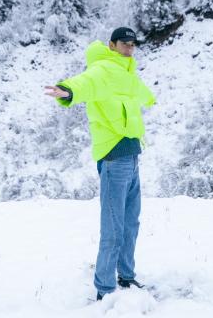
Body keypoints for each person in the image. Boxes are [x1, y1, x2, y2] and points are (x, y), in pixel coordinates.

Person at [45, 27, 155, 300]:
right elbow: (85, 84)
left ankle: (126, 277)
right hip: (114, 158)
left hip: (131, 156)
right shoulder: (103, 69)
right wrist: (67, 91)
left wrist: (151, 98)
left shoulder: (128, 73)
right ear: (112, 45)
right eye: (124, 43)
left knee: (131, 223)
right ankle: (105, 289)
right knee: (113, 226)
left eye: (133, 44)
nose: (129, 48)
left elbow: (140, 93)